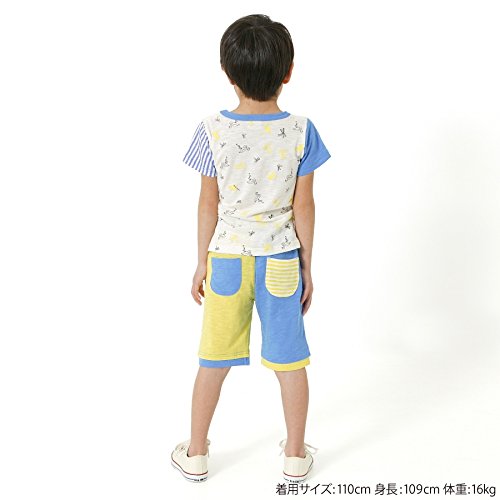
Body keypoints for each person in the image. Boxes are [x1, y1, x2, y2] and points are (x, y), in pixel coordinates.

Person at [171, 13, 331, 483]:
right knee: (290, 360)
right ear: (288, 71)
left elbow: (208, 203)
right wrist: (306, 266)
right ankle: (295, 456)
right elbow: (305, 206)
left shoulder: (212, 129)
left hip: (226, 259)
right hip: (280, 259)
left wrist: (201, 261)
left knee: (214, 358)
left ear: (227, 72)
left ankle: (196, 453)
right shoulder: (302, 130)